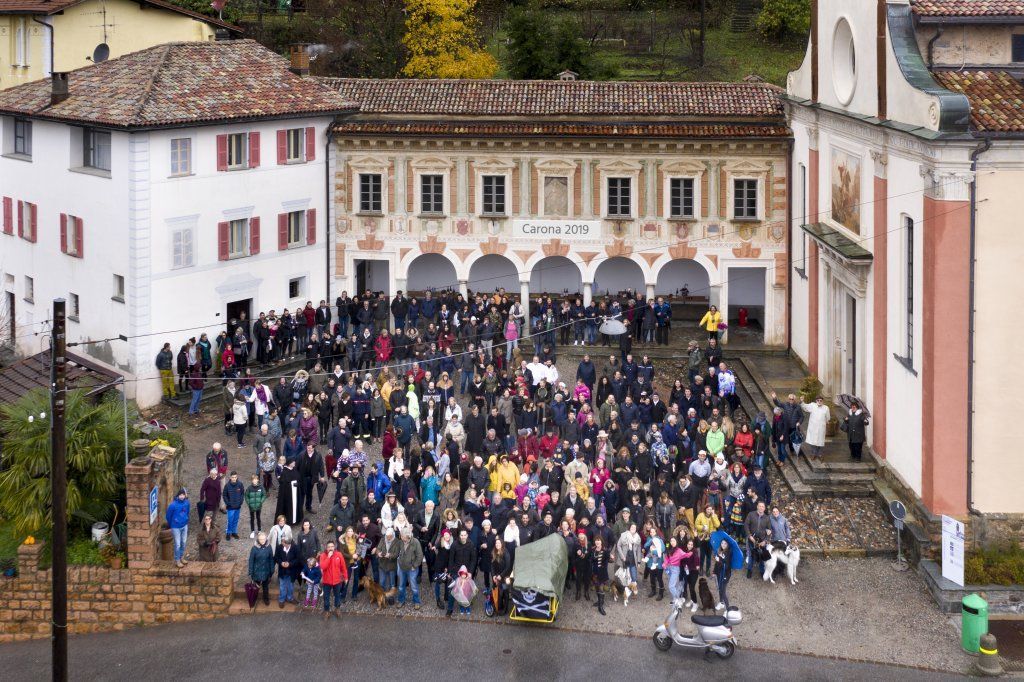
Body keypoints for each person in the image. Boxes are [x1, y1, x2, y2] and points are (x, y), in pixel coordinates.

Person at [319, 540, 349, 619]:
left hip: (337, 581)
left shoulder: (339, 554)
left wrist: (346, 577)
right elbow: (323, 567)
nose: (330, 548)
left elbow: (343, 567)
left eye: (332, 546)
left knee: (337, 596)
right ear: (326, 548)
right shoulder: (323, 556)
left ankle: (337, 609)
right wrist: (328, 557)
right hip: (327, 581)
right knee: (326, 597)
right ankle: (327, 611)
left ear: (334, 547)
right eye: (329, 547)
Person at [396, 528, 424, 609]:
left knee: (413, 586)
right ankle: (401, 600)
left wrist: (414, 566)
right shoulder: (400, 541)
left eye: (402, 536)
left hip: (412, 569)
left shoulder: (415, 542)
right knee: (401, 586)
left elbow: (420, 556)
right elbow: (398, 552)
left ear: (407, 536)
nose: (401, 537)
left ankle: (416, 601)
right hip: (401, 567)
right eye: (401, 536)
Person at [247, 531, 274, 607]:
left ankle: (266, 599)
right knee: (255, 587)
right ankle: (253, 599)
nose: (262, 541)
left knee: (265, 587)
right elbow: (251, 560)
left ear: (266, 539)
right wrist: (251, 572)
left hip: (266, 571)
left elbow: (271, 559)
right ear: (258, 539)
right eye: (261, 539)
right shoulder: (254, 548)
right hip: (257, 571)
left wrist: (272, 570)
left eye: (264, 539)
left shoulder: (269, 547)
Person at [800, 395, 830, 461]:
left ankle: (820, 454)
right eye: (818, 400)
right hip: (813, 427)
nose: (819, 401)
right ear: (816, 401)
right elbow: (805, 407)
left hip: (821, 428)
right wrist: (802, 401)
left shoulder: (826, 408)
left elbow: (828, 417)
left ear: (822, 401)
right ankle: (813, 454)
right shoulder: (812, 405)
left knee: (820, 442)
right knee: (813, 441)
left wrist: (827, 423)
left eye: (821, 400)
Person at [165, 488, 190, 568]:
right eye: (180, 495)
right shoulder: (173, 505)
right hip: (176, 527)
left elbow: (187, 512)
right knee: (178, 544)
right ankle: (177, 560)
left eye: (183, 495)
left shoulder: (187, 503)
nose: (182, 496)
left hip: (184, 525)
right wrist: (172, 524)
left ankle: (181, 557)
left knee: (184, 542)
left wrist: (186, 519)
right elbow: (168, 516)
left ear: (185, 495)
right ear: (178, 495)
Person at [275, 536, 300, 608]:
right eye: (284, 544)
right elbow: (276, 557)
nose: (286, 546)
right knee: (282, 586)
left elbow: (298, 559)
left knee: (291, 586)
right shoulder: (279, 547)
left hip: (291, 571)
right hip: (282, 571)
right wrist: (281, 563)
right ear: (283, 542)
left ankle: (290, 598)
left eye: (288, 545)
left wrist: (290, 564)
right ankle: (281, 600)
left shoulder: (295, 548)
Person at [221, 471, 244, 541]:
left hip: (237, 506)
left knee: (235, 520)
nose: (234, 479)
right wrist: (228, 503)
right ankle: (228, 533)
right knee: (230, 520)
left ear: (237, 477)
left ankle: (234, 532)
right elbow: (224, 495)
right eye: (232, 477)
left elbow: (242, 494)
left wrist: (240, 502)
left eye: (235, 477)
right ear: (230, 477)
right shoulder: (227, 485)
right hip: (230, 507)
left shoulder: (240, 484)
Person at [644, 525, 665, 600]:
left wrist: (653, 551)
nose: (652, 533)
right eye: (651, 532)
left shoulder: (660, 540)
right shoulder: (649, 539)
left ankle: (661, 593)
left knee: (659, 578)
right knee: (652, 577)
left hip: (659, 563)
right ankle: (653, 590)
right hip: (651, 563)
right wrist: (650, 541)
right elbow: (645, 546)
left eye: (653, 532)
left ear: (656, 532)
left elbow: (662, 550)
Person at [591, 536, 611, 616]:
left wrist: (611, 557)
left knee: (601, 589)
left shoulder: (605, 551)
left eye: (598, 540)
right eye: (596, 540)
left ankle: (600, 606)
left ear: (601, 541)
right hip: (594, 573)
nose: (597, 542)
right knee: (597, 588)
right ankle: (600, 601)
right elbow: (591, 560)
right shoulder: (593, 550)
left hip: (602, 573)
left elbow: (608, 559)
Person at [713, 537, 733, 610]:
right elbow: (716, 564)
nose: (723, 545)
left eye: (725, 543)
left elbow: (727, 566)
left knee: (723, 591)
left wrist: (720, 560)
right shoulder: (719, 551)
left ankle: (727, 610)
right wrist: (714, 572)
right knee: (719, 589)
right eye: (722, 543)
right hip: (719, 573)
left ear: (727, 544)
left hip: (725, 575)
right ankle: (721, 603)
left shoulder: (729, 552)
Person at [244, 474, 267, 539]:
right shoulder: (249, 488)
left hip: (258, 506)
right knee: (252, 518)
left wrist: (261, 502)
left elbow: (264, 495)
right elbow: (246, 496)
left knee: (258, 518)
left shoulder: (261, 487)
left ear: (258, 480)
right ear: (252, 480)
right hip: (251, 506)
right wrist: (249, 503)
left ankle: (259, 530)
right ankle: (252, 531)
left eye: (255, 479)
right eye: (253, 480)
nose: (254, 481)